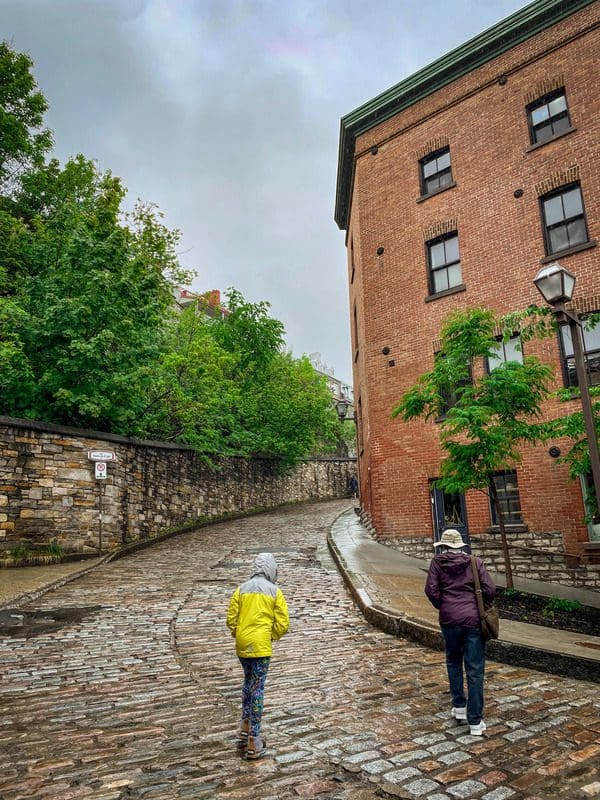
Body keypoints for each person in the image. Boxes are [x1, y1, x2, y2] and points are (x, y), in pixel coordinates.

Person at [424, 528, 496, 736]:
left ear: (444, 546)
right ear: (460, 545)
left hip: (449, 619)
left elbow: (431, 590)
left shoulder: (437, 563)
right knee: (475, 668)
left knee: (453, 661)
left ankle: (459, 707)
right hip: (473, 620)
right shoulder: (475, 562)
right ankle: (475, 722)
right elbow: (490, 590)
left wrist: (444, 604)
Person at [226, 552, 289, 759]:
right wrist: (270, 636)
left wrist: (240, 634)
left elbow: (231, 619)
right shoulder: (274, 591)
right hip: (261, 646)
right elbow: (283, 623)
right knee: (258, 687)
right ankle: (254, 739)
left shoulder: (241, 589)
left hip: (243, 645)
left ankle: (244, 727)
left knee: (247, 683)